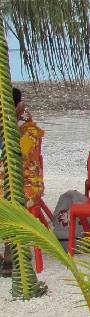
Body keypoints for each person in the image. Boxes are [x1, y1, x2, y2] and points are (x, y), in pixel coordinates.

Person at [1, 87, 45, 277]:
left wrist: (13, 122)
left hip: (26, 183)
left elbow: (21, 156)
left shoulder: (30, 130)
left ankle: (11, 253)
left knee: (11, 199)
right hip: (3, 180)